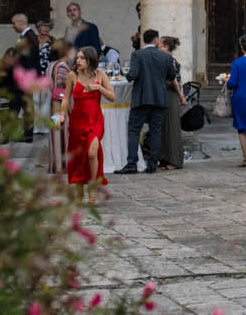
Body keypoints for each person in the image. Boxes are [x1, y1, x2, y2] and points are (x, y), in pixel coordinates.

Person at [61, 47, 116, 195]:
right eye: (77, 58)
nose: (78, 61)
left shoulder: (100, 74)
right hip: (77, 121)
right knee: (78, 155)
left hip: (95, 120)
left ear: (90, 59)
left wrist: (98, 88)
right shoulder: (72, 75)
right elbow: (66, 98)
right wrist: (61, 115)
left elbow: (112, 97)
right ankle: (79, 187)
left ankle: (92, 188)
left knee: (92, 153)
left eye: (82, 58)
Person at [120, 28, 174, 175]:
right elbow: (171, 76)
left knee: (134, 130)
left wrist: (127, 76)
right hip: (159, 98)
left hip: (142, 98)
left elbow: (133, 75)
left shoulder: (137, 54)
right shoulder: (166, 57)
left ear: (144, 40)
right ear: (156, 40)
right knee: (155, 131)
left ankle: (132, 163)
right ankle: (152, 164)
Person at [156, 35, 186, 171]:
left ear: (166, 47)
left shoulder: (169, 60)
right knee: (164, 127)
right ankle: (165, 158)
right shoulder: (165, 59)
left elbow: (174, 80)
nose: (158, 47)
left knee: (171, 127)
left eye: (161, 45)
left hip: (170, 95)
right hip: (166, 94)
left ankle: (174, 160)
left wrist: (181, 96)